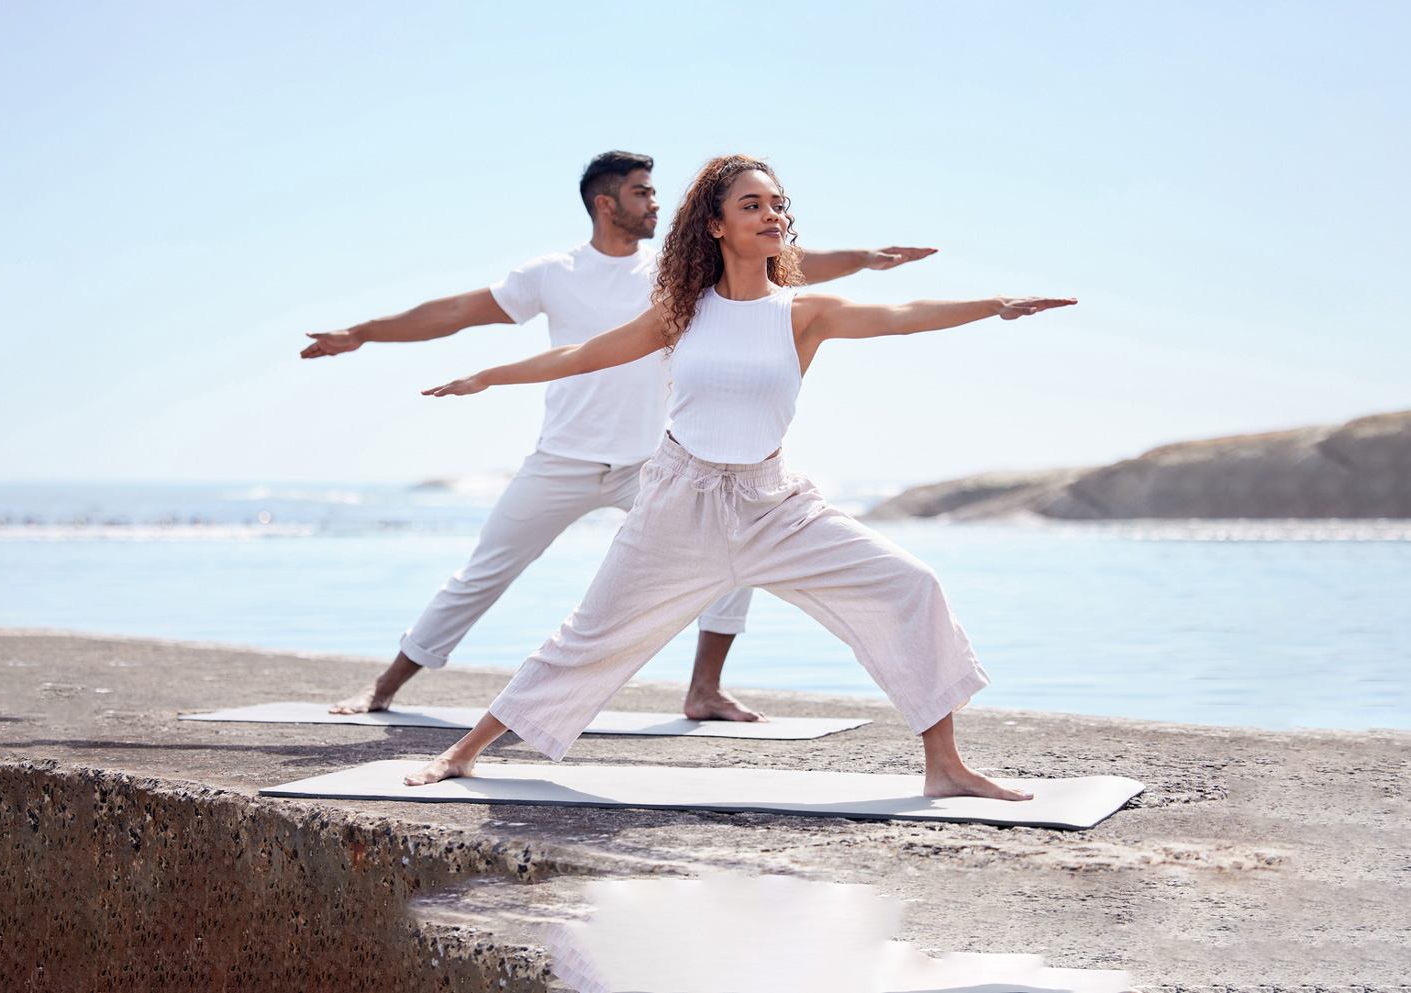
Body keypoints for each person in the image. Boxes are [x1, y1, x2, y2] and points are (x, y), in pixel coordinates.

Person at [403, 155, 1076, 799]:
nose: (771, 214)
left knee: (911, 585)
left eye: (778, 204)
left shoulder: (803, 314)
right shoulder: (682, 311)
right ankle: (463, 751)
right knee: (591, 633)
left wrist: (994, 304)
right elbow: (585, 355)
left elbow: (904, 317)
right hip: (679, 503)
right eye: (751, 204)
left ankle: (945, 766)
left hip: (773, 503)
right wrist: (489, 375)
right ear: (716, 225)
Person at [302, 150, 936, 723]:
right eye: (641, 193)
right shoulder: (551, 273)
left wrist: (863, 259)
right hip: (563, 458)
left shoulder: (675, 272)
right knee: (484, 573)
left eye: (656, 192)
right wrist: (362, 332)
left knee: (736, 556)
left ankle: (704, 690)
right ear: (606, 204)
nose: (655, 202)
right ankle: (385, 687)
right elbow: (454, 313)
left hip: (654, 465)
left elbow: (779, 261)